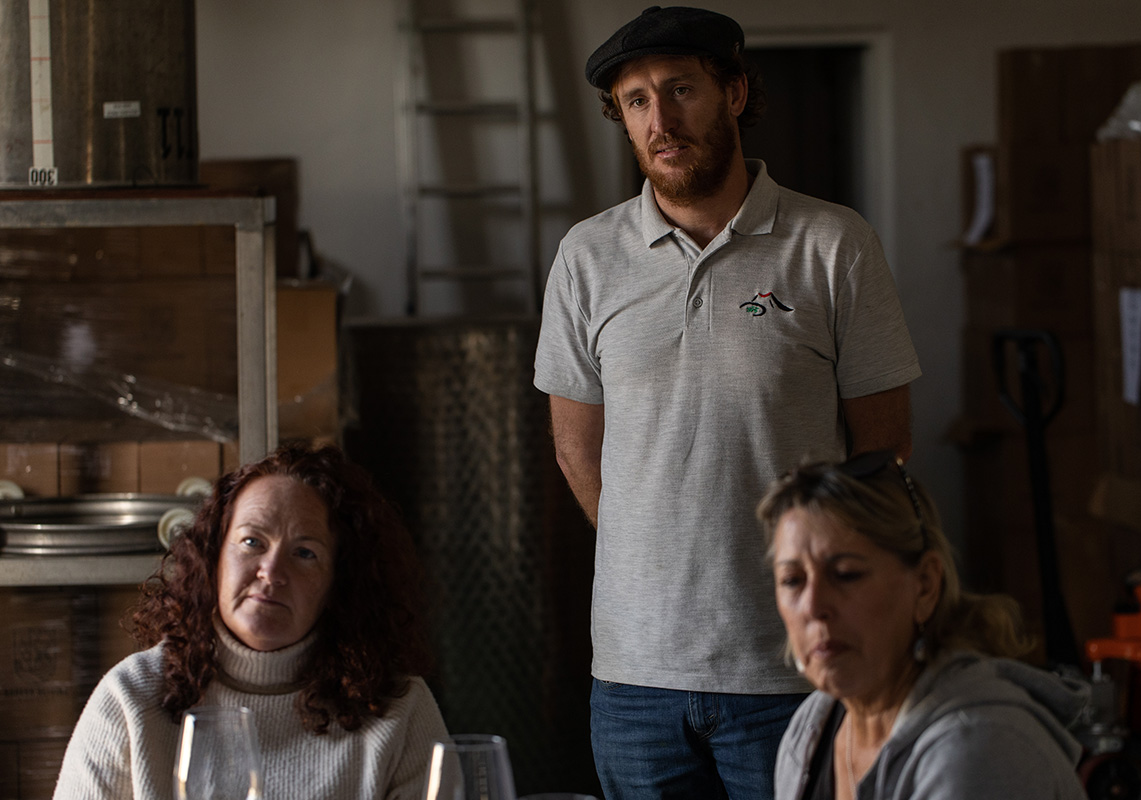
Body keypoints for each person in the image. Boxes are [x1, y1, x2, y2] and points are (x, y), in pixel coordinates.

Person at [533, 5, 922, 798]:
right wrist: (660, 550)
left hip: (793, 664)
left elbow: (882, 453)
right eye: (636, 101)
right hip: (635, 677)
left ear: (735, 94)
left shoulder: (833, 244)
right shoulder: (586, 258)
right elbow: (577, 446)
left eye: (681, 89)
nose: (660, 120)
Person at [53, 443, 449, 800]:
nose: (271, 571)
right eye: (252, 542)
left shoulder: (400, 707)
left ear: (339, 582)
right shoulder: (129, 700)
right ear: (213, 557)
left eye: (305, 553)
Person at [758, 451, 1089, 800]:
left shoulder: (979, 750)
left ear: (926, 585)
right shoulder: (812, 727)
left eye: (846, 574)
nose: (813, 606)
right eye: (792, 580)